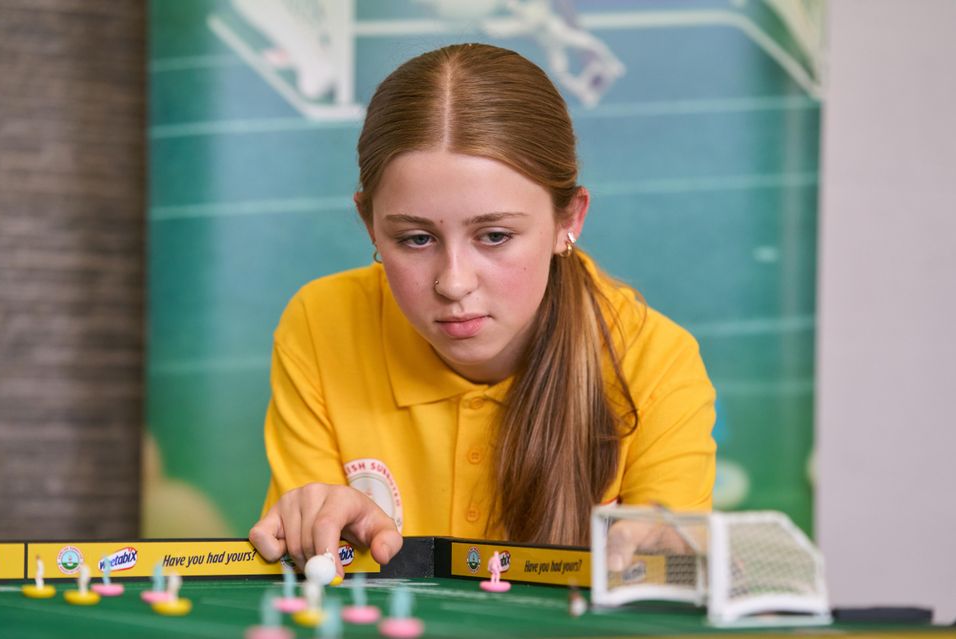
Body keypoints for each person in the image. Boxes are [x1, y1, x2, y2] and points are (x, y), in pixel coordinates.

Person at [249, 43, 716, 577]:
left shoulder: (657, 363)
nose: (453, 283)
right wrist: (321, 535)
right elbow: (302, 583)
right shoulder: (320, 322)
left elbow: (670, 580)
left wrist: (661, 556)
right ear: (369, 224)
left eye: (495, 236)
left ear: (570, 219)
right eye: (415, 238)